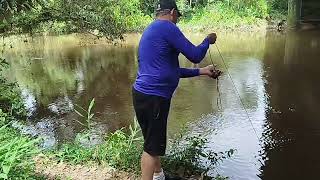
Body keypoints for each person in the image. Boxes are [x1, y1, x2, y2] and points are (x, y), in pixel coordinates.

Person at [132, 0, 221, 179]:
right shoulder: (168, 27)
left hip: (142, 94)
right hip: (154, 98)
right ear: (172, 12)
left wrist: (202, 71)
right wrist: (207, 41)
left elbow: (169, 71)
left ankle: (159, 176)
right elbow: (195, 55)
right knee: (151, 149)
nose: (177, 20)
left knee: (152, 141)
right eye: (177, 17)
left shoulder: (152, 30)